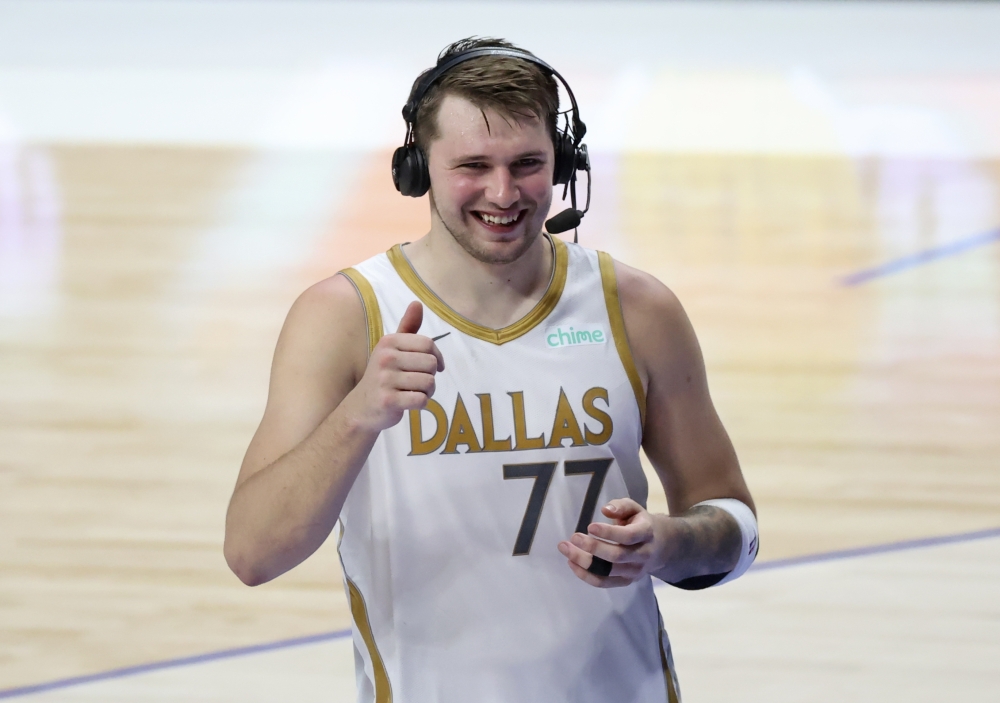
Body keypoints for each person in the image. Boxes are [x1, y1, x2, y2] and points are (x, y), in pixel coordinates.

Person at [224, 37, 757, 703]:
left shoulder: (638, 308)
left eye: (528, 164)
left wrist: (668, 543)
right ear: (418, 168)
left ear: (563, 164)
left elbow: (736, 527)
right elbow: (252, 553)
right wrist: (359, 412)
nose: (503, 194)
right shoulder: (344, 317)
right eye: (472, 165)